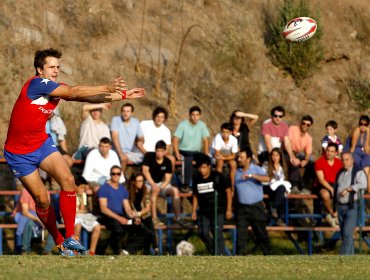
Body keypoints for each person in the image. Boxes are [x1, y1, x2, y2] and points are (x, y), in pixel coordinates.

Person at [3, 48, 144, 256]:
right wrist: (107, 85)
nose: (56, 70)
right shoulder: (35, 85)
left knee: (68, 180)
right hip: (18, 154)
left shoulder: (54, 89)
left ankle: (70, 237)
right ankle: (60, 241)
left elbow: (85, 97)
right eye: (51, 67)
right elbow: (74, 91)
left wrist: (121, 95)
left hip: (41, 144)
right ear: (39, 70)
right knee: (42, 199)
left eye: (58, 67)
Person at [191, 153, 232, 255]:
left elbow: (228, 191)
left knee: (217, 233)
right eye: (200, 168)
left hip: (218, 210)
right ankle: (213, 251)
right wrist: (193, 211)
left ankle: (220, 256)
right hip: (204, 211)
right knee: (202, 232)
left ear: (209, 166)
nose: (202, 170)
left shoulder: (218, 177)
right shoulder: (196, 178)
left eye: (204, 167)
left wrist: (228, 209)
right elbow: (195, 195)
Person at [235, 148, 271, 255]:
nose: (239, 159)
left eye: (242, 157)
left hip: (256, 207)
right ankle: (239, 257)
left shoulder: (256, 169)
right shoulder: (236, 172)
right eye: (238, 157)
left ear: (249, 159)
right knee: (241, 235)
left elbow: (267, 178)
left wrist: (252, 176)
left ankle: (268, 255)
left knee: (261, 233)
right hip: (241, 208)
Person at [97, 165, 137, 255]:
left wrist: (132, 215)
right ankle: (117, 251)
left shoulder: (123, 189)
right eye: (113, 174)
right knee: (118, 229)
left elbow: (127, 207)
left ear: (120, 175)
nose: (116, 176)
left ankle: (127, 250)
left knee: (137, 225)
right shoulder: (104, 188)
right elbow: (103, 209)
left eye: (118, 174)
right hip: (107, 216)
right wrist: (119, 218)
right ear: (110, 174)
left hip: (119, 215)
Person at [142, 140, 182, 226]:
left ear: (164, 151)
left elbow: (167, 179)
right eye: (157, 150)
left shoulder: (167, 161)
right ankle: (154, 218)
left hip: (161, 184)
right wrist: (153, 185)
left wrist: (160, 187)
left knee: (175, 191)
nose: (159, 153)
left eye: (161, 151)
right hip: (148, 183)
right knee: (153, 192)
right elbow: (145, 171)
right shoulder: (148, 156)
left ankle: (177, 217)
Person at [334, 152, 367, 255]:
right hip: (340, 206)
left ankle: (343, 258)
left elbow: (363, 184)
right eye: (343, 160)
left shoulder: (358, 171)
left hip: (351, 206)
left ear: (352, 160)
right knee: (344, 234)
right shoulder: (340, 172)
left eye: (347, 159)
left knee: (348, 233)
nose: (344, 162)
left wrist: (349, 189)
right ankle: (350, 257)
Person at [173, 106, 210, 191]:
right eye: (193, 115)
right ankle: (186, 184)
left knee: (207, 160)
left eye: (197, 115)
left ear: (200, 116)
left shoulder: (202, 125)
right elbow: (175, 140)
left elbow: (206, 140)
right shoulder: (183, 124)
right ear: (190, 115)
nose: (195, 117)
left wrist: (206, 153)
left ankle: (206, 182)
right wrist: (177, 153)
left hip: (196, 152)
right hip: (183, 151)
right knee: (188, 160)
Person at [14, 187, 55, 255]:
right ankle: (25, 249)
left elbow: (46, 209)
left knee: (55, 224)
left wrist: (44, 219)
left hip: (40, 214)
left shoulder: (46, 192)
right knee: (28, 224)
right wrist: (39, 220)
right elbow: (25, 212)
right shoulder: (26, 192)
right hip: (28, 215)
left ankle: (47, 250)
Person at [127, 172, 158, 255]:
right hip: (133, 216)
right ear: (133, 182)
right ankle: (155, 247)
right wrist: (134, 215)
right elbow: (128, 207)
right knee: (146, 230)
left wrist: (139, 214)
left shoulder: (146, 191)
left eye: (142, 181)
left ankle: (150, 249)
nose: (141, 183)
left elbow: (147, 208)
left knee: (149, 222)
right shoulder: (128, 193)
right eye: (139, 181)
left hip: (143, 215)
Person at [111, 103, 146, 174]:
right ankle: (120, 181)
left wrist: (139, 142)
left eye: (128, 111)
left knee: (148, 159)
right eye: (124, 111)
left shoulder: (135, 122)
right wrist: (120, 153)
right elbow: (114, 137)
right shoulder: (116, 120)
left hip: (129, 152)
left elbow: (141, 138)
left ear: (132, 113)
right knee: (124, 158)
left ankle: (142, 182)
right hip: (116, 151)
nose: (125, 113)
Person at [314, 143, 343, 227]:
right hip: (322, 184)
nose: (329, 153)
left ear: (336, 153)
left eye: (332, 151)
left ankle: (338, 214)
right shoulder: (319, 162)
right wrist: (331, 189)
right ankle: (332, 214)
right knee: (325, 194)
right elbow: (321, 179)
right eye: (328, 150)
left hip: (335, 184)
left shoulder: (339, 163)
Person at [264, 148, 291, 226]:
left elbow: (284, 179)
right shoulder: (266, 164)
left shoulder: (282, 167)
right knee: (281, 192)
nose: (274, 157)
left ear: (280, 156)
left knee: (281, 189)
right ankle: (279, 216)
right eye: (273, 155)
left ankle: (275, 209)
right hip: (268, 187)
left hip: (278, 188)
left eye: (277, 155)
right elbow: (263, 178)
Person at [288, 115, 315, 193]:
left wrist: (306, 161)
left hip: (297, 154)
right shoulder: (292, 129)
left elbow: (308, 153)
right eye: (303, 123)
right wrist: (293, 156)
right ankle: (294, 185)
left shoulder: (308, 138)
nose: (305, 126)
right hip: (287, 151)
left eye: (308, 125)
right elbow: (288, 143)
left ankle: (306, 187)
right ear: (300, 123)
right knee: (295, 162)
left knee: (312, 164)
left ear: (310, 126)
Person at [74, 181, 101, 256]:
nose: (83, 190)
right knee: (78, 225)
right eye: (81, 188)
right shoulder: (69, 195)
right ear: (76, 186)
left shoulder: (83, 195)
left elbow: (82, 210)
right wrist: (80, 211)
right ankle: (76, 251)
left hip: (82, 216)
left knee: (97, 226)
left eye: (84, 188)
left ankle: (91, 252)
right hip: (73, 217)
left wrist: (81, 198)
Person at [211, 122, 238, 195]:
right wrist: (225, 157)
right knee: (220, 162)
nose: (225, 134)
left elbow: (234, 155)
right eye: (223, 132)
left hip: (226, 156)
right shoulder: (218, 137)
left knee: (233, 164)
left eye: (227, 132)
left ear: (231, 132)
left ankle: (232, 185)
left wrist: (224, 157)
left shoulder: (234, 140)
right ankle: (217, 183)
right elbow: (217, 153)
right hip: (217, 156)